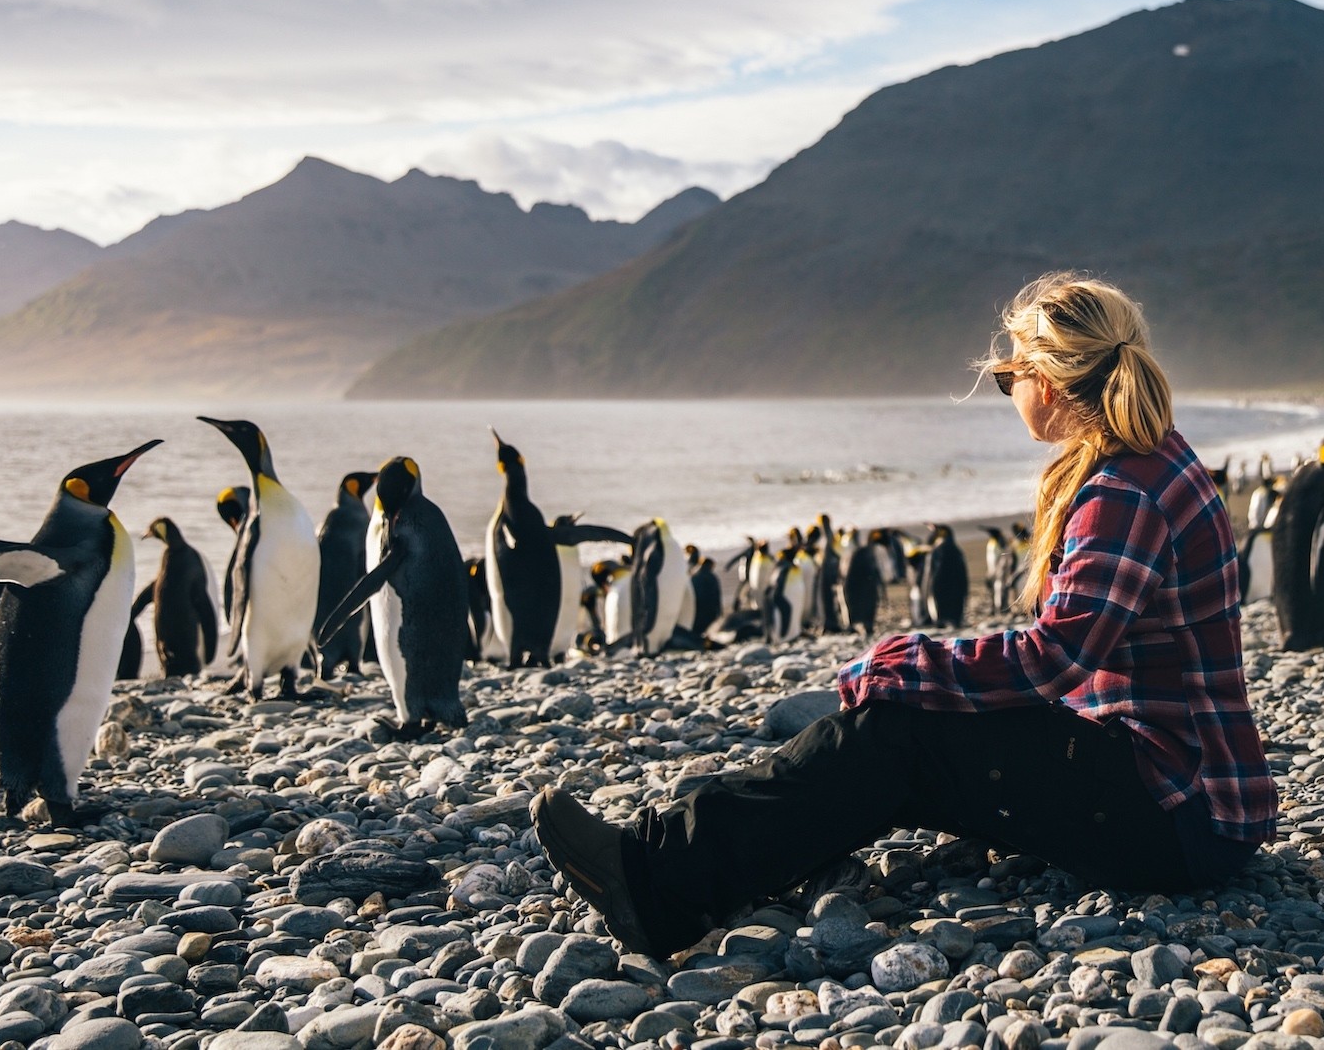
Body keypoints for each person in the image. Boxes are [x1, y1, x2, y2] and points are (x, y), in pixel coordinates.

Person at [531, 273, 1278, 955]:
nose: (1010, 389)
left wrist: (917, 660)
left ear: (1046, 382)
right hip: (1186, 799)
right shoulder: (1146, 460)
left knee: (897, 728)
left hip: (1179, 817)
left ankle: (654, 879)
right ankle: (733, 838)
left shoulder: (1123, 489)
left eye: (1009, 376)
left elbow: (1057, 659)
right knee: (888, 730)